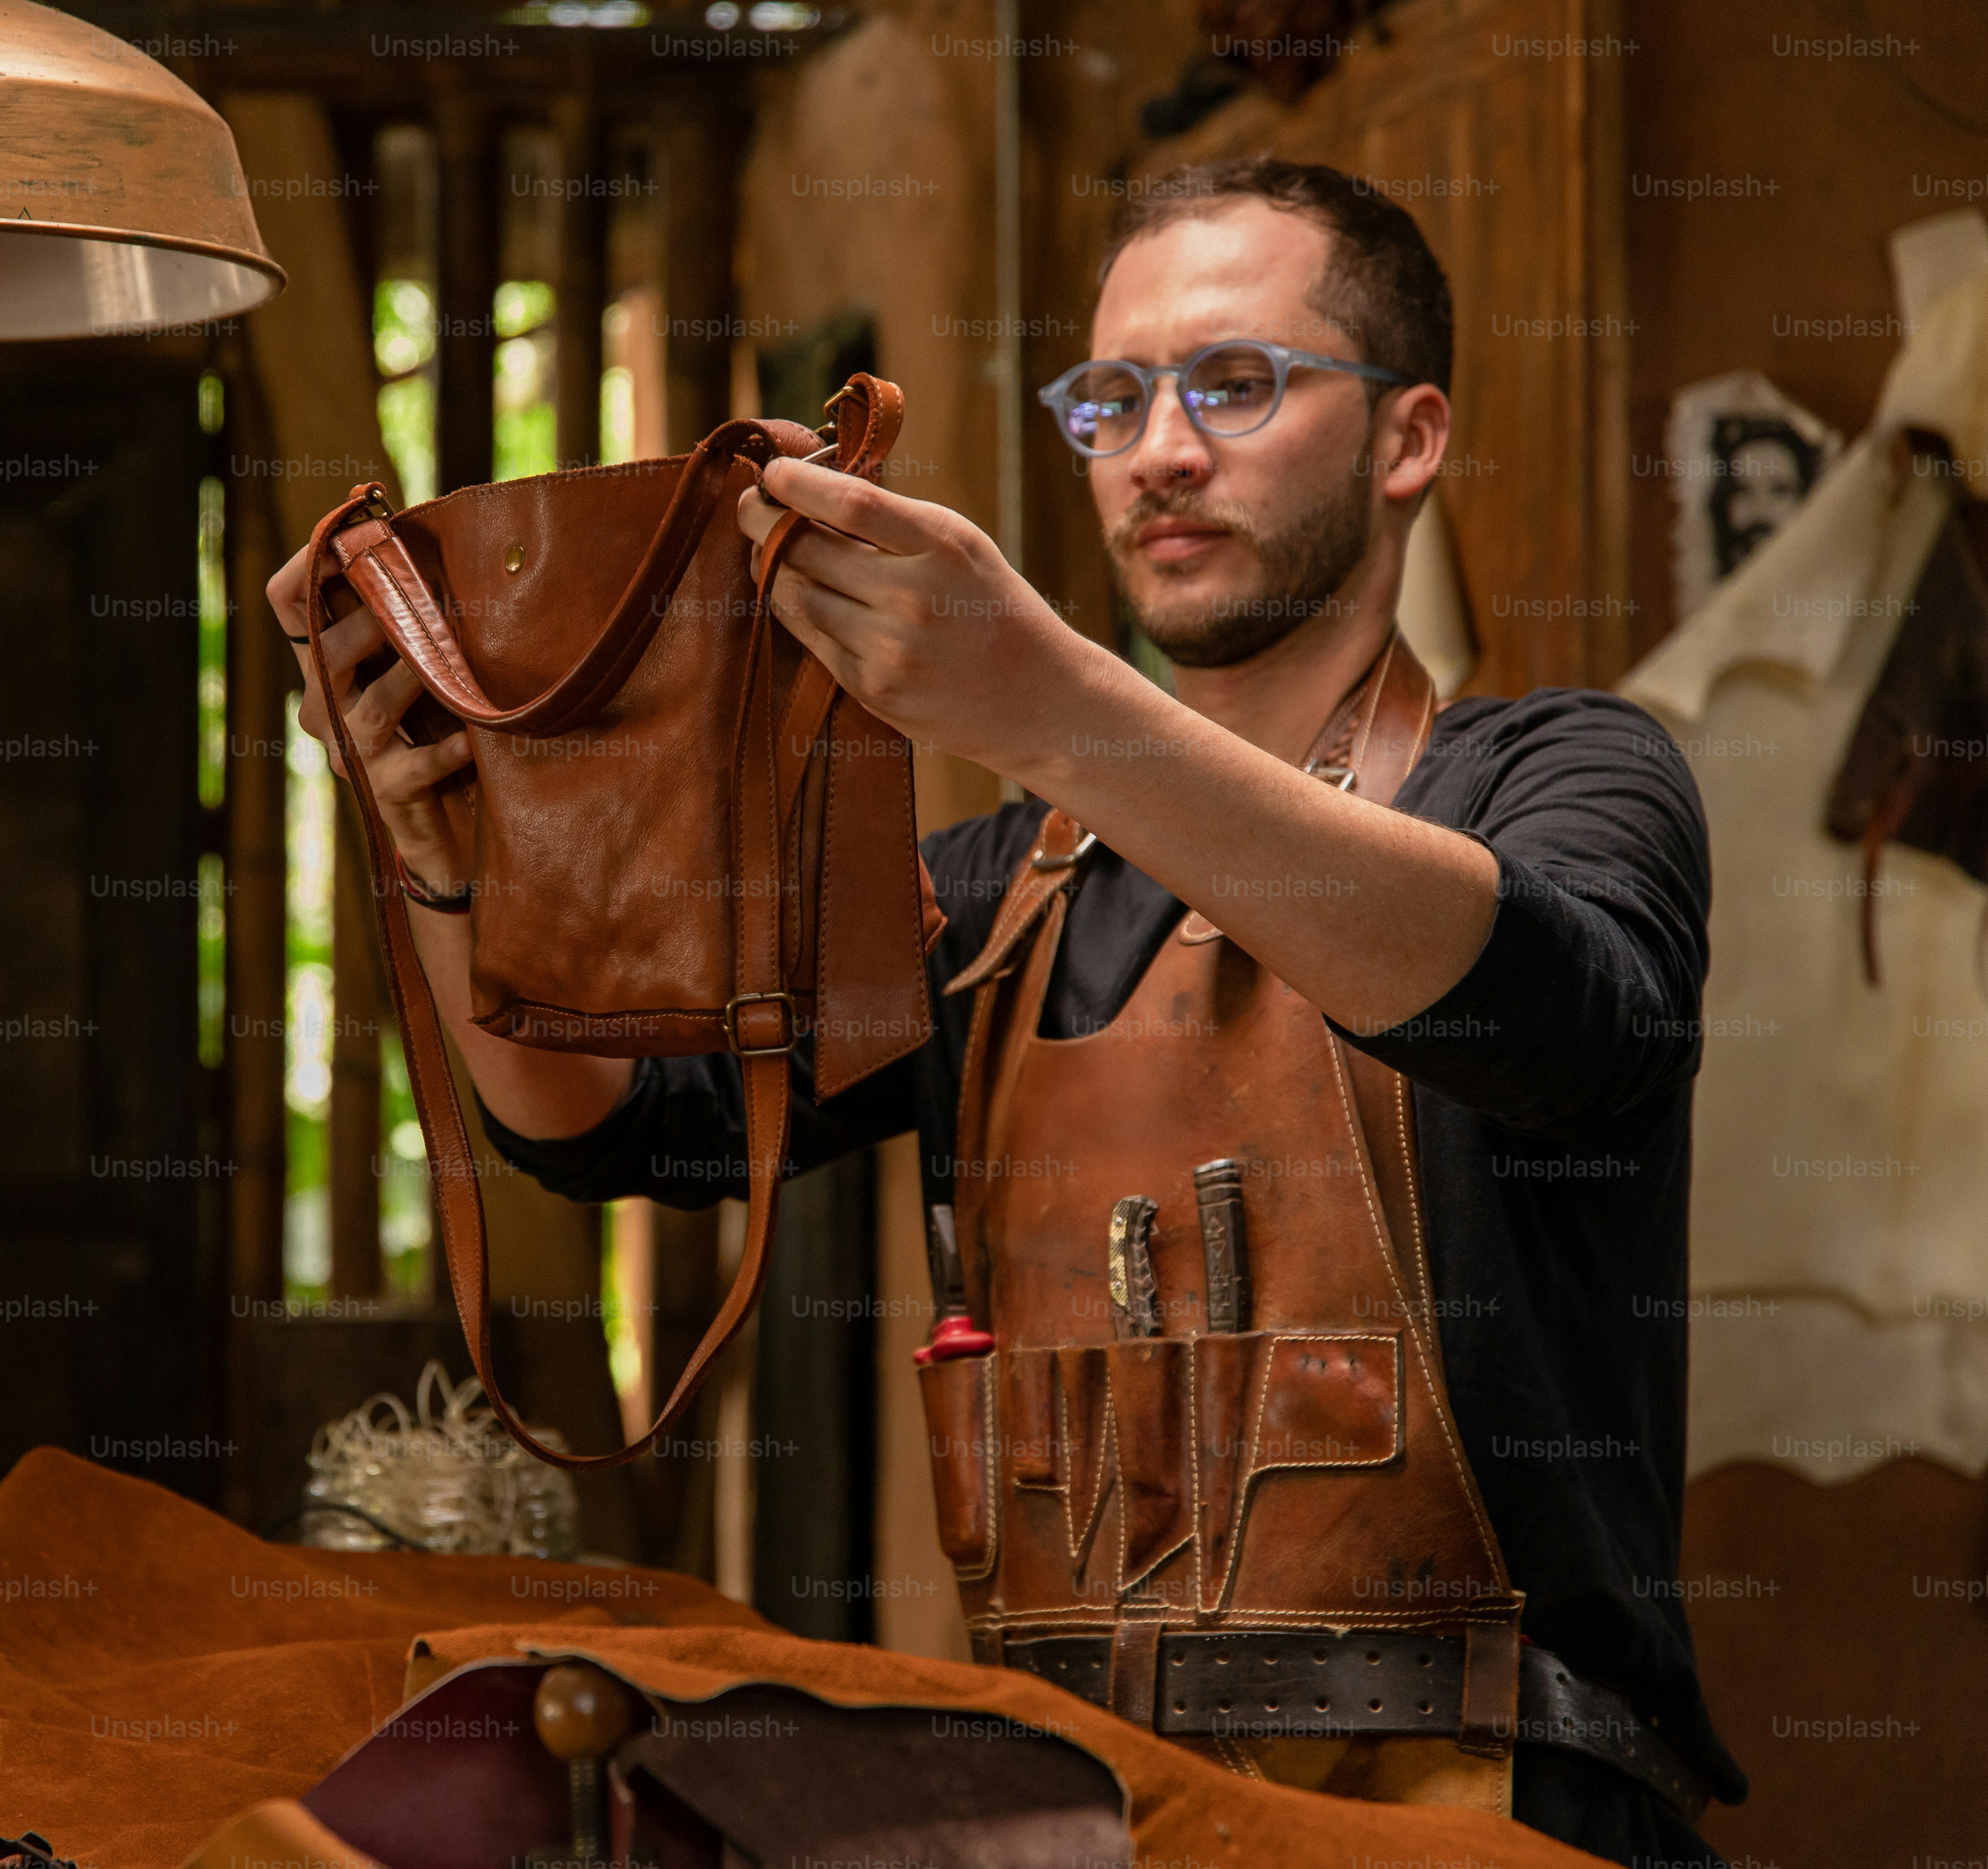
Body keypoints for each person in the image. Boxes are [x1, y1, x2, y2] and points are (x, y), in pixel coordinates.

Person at [267, 158, 1741, 1866]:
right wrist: (452, 845)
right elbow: (606, 1132)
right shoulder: (994, 895)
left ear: (1406, 439)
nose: (1160, 449)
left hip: (1494, 1827)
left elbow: (1566, 1024)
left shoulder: (1561, 773)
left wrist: (1050, 709)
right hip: (1080, 1823)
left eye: (1235, 383)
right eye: (1109, 400)